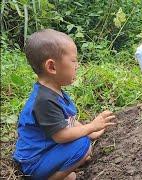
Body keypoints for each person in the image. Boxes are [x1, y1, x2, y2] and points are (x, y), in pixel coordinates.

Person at [13, 29, 116, 180]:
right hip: (33, 163)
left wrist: (90, 132)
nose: (77, 65)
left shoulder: (54, 91)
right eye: (73, 60)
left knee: (82, 144)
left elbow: (69, 120)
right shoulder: (44, 101)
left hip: (47, 150)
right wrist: (91, 126)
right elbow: (61, 136)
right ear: (52, 67)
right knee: (82, 145)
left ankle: (60, 168)